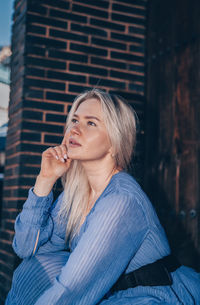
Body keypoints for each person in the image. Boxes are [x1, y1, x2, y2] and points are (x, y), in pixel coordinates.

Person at [5, 89, 200, 305]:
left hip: (151, 296)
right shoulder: (78, 193)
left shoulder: (121, 200)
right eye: (75, 120)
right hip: (111, 293)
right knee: (33, 269)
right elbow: (26, 248)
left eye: (91, 123)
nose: (74, 130)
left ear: (114, 142)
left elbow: (72, 290)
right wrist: (44, 180)